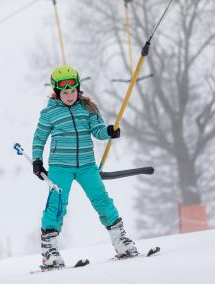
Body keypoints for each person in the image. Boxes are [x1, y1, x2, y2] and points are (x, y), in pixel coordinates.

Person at [32, 65, 137, 268]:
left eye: (73, 91)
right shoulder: (48, 113)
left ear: (78, 89)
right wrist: (37, 160)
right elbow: (39, 138)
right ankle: (49, 251)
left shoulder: (86, 109)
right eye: (65, 92)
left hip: (87, 165)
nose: (70, 96)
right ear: (56, 92)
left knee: (102, 200)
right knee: (57, 205)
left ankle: (120, 240)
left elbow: (97, 130)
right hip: (60, 167)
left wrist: (108, 132)